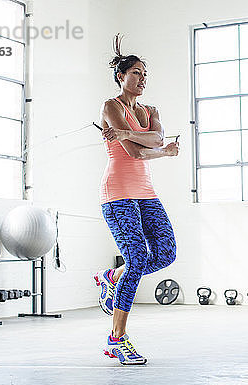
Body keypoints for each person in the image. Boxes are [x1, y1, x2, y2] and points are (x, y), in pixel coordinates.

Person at [93, 34, 178, 365]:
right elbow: (137, 152)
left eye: (145, 75)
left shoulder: (149, 110)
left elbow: (155, 136)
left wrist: (131, 133)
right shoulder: (110, 106)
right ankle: (117, 339)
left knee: (167, 252)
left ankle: (113, 277)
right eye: (136, 73)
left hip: (146, 192)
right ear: (121, 76)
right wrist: (160, 149)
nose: (142, 79)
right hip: (117, 193)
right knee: (137, 257)